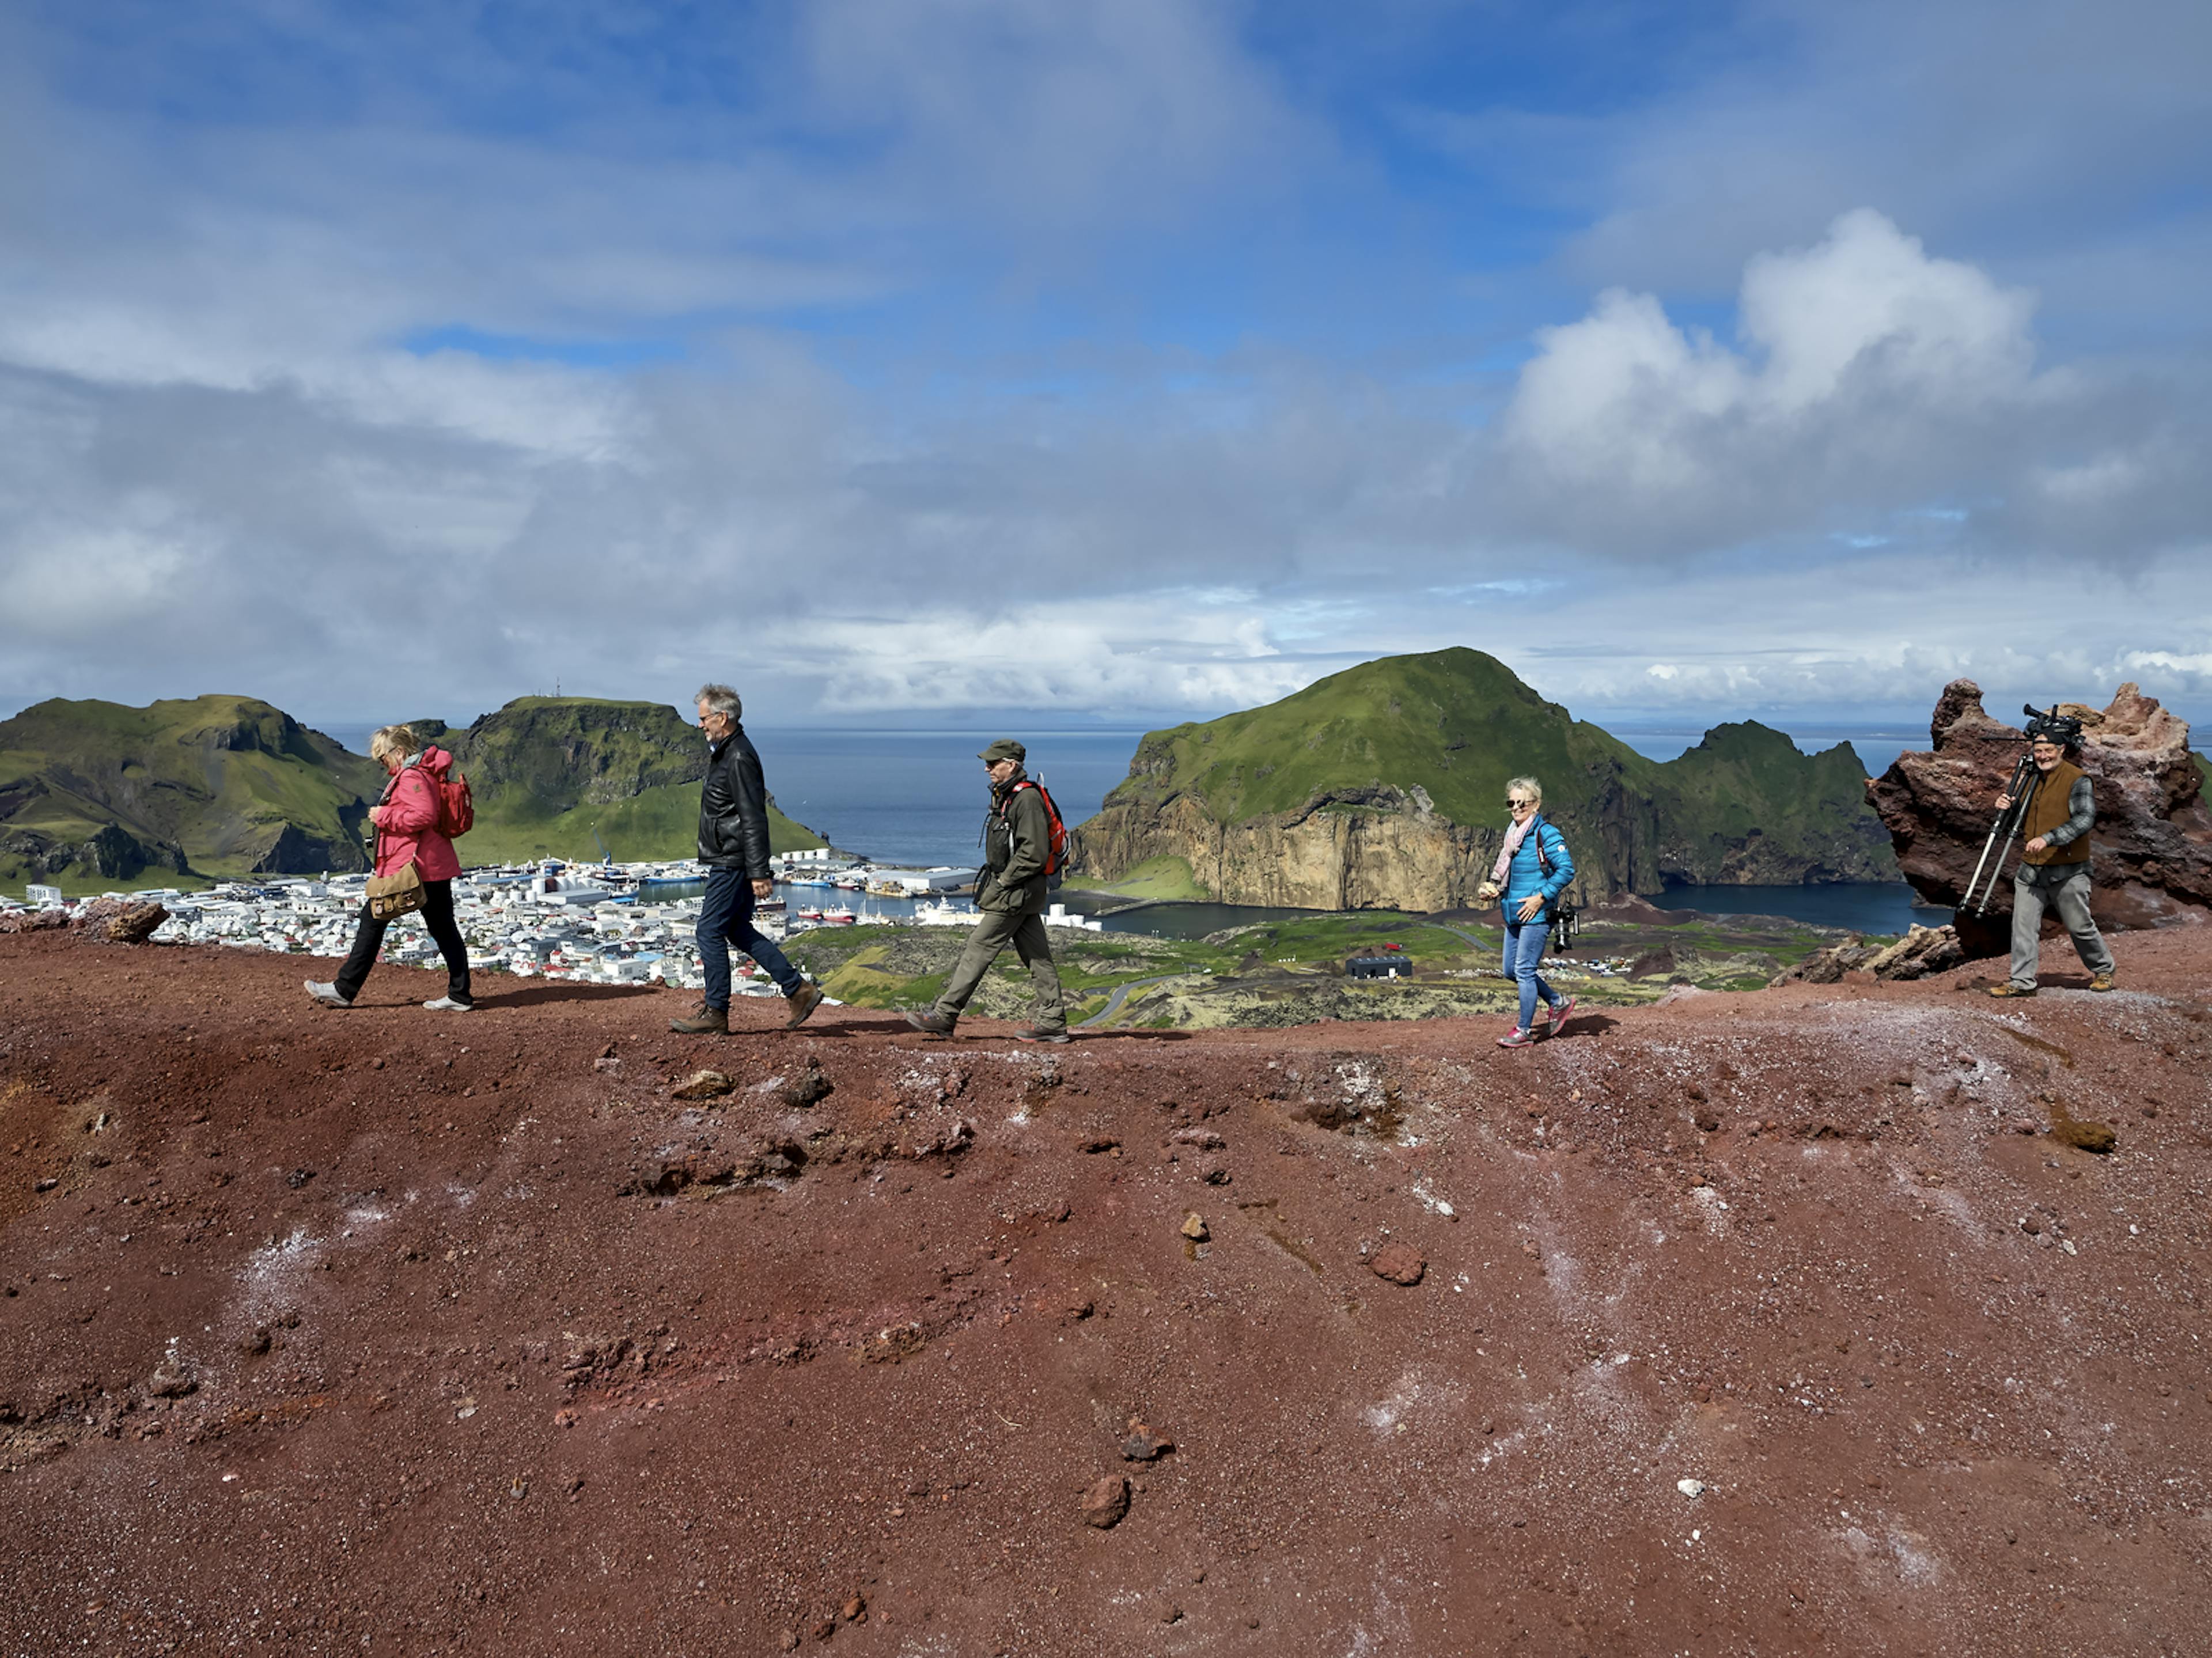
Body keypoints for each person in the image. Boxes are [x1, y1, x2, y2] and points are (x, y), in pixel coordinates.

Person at [671, 683, 822, 1034]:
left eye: (704, 718)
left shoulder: (737, 756)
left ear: (722, 717)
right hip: (733, 856)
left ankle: (716, 1012)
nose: (700, 725)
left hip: (732, 859)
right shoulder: (729, 751)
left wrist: (758, 872)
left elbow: (753, 816)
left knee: (709, 930)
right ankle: (798, 989)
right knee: (735, 929)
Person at [904, 739, 1068, 1043]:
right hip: (1021, 891)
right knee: (1037, 957)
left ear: (1013, 765)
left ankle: (946, 1015)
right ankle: (1052, 1021)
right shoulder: (1009, 797)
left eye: (994, 764)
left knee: (978, 949)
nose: (987, 768)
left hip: (1015, 891)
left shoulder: (1026, 799)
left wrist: (1005, 881)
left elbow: (1033, 852)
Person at [305, 725, 473, 1011]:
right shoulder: (426, 773)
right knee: (443, 928)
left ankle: (344, 989)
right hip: (432, 865)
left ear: (399, 752)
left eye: (383, 757)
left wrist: (385, 816)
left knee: (373, 919)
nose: (382, 764)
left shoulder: (411, 776)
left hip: (414, 866)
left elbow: (425, 815)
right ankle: (459, 995)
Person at [1989, 732, 2114, 997]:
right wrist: (2006, 807)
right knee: (2023, 926)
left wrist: (2049, 838)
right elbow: (2016, 823)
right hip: (2031, 869)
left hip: (2068, 869)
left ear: (2062, 749)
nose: (2043, 757)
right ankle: (2022, 982)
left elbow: (2084, 819)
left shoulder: (2078, 780)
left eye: (2048, 751)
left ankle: (2103, 970)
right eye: (2038, 752)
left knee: (2080, 926)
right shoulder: (2031, 780)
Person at [1478, 775, 1575, 1049]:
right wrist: (1496, 890)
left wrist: (1540, 898)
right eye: (1512, 802)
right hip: (1513, 912)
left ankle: (1524, 1031)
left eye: (1523, 802)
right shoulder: (1512, 836)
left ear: (1536, 804)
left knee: (1524, 970)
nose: (1517, 807)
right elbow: (1513, 875)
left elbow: (1566, 870)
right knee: (1511, 970)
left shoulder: (1547, 834)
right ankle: (1558, 1002)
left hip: (1537, 914)